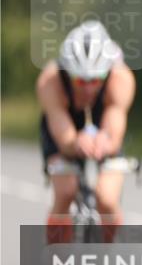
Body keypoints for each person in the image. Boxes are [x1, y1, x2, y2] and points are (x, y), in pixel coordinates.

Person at [37, 20, 136, 244]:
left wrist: (106, 141)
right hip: (65, 121)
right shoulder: (50, 82)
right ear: (68, 73)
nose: (89, 87)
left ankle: (110, 252)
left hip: (103, 121)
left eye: (96, 80)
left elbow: (115, 124)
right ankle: (57, 262)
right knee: (65, 191)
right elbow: (63, 135)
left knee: (107, 198)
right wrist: (74, 143)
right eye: (81, 80)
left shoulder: (121, 79)